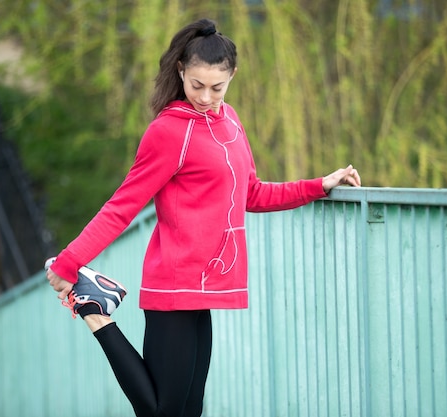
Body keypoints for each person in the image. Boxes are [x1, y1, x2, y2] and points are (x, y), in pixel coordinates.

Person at [46, 18, 361, 417]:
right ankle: (93, 309)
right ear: (181, 72)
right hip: (174, 283)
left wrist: (319, 185)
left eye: (217, 87)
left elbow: (252, 194)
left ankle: (94, 303)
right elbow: (122, 205)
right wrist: (70, 262)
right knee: (162, 411)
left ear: (232, 76)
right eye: (197, 86)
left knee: (190, 411)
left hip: (206, 286)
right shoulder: (168, 132)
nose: (207, 97)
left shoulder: (229, 121)